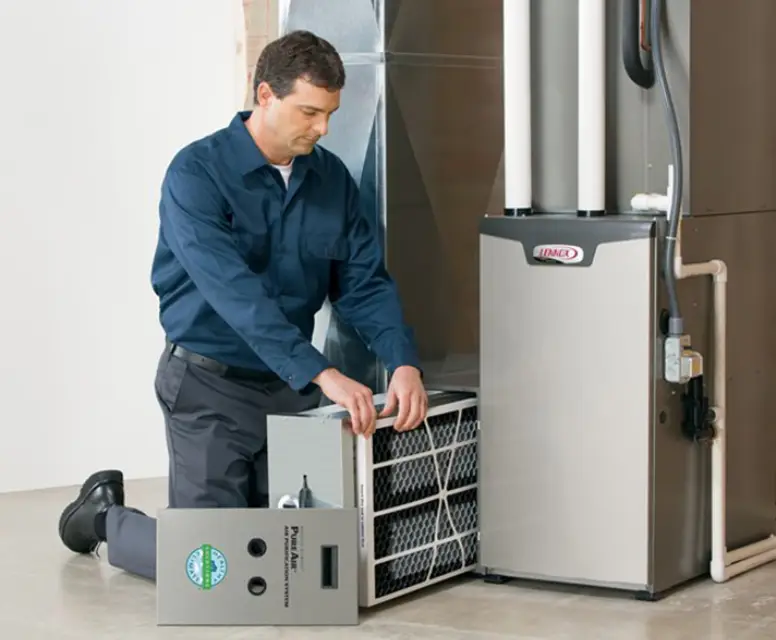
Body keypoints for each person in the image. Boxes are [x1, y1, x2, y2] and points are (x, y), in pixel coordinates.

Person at [57, 30, 428, 581]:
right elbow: (236, 295)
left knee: (296, 558)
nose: (322, 129)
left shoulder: (331, 182)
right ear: (265, 95)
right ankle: (105, 517)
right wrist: (323, 373)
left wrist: (402, 360)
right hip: (210, 389)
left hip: (288, 394)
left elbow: (363, 281)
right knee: (211, 570)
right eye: (309, 112)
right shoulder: (196, 175)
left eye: (329, 113)